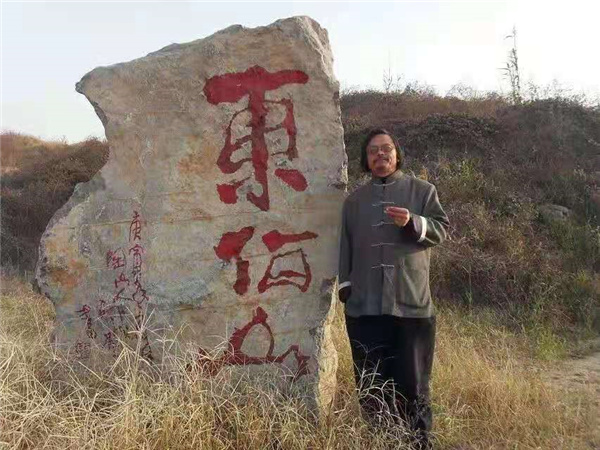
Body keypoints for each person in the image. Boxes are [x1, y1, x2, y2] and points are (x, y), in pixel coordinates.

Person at [338, 128, 450, 449]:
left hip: (411, 306)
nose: (380, 155)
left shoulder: (423, 191)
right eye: (373, 150)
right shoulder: (354, 202)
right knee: (372, 388)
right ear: (366, 159)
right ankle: (382, 443)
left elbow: (441, 229)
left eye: (386, 148)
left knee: (414, 387)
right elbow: (344, 246)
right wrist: (346, 287)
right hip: (364, 308)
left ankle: (418, 444)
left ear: (397, 153)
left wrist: (413, 222)